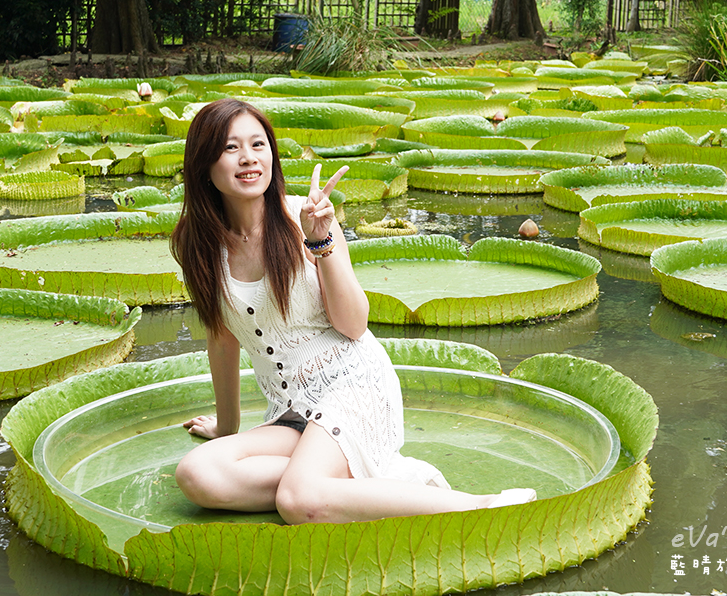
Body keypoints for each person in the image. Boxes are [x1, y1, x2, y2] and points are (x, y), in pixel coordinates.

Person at [169, 98, 535, 524]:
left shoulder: (303, 219)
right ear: (204, 163)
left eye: (258, 144)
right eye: (231, 148)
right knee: (197, 474)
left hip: (353, 387)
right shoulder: (196, 244)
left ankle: (481, 507)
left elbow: (353, 323)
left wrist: (320, 244)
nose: (249, 158)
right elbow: (223, 335)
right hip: (292, 413)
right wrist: (226, 428)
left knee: (297, 502)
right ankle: (346, 484)